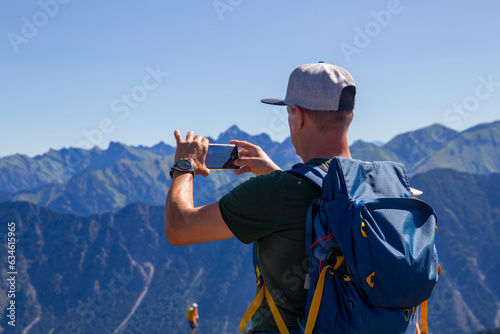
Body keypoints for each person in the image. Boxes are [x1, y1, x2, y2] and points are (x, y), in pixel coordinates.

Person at [165, 61, 356, 333]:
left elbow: (178, 228)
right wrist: (276, 174)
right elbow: (314, 203)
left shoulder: (277, 193)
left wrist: (185, 165)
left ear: (298, 115)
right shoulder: (369, 183)